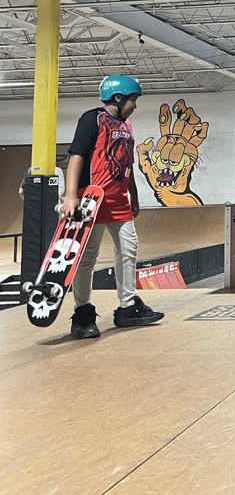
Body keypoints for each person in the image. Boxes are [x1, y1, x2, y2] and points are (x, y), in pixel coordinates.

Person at [63, 75, 164, 339]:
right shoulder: (92, 119)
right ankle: (82, 313)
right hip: (92, 200)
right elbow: (76, 156)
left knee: (129, 250)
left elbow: (126, 165)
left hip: (119, 200)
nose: (135, 106)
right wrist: (71, 195)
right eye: (133, 100)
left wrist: (135, 196)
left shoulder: (126, 126)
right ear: (117, 99)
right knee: (88, 258)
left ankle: (128, 307)